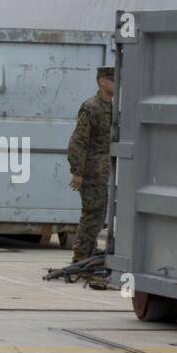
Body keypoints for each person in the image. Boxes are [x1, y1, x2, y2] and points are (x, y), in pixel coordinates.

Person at [67, 66, 115, 275]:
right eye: (112, 79)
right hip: (91, 171)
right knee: (91, 213)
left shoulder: (113, 107)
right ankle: (80, 258)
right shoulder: (91, 107)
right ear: (102, 81)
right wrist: (77, 172)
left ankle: (88, 252)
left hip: (106, 171)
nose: (116, 83)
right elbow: (78, 141)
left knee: (100, 213)